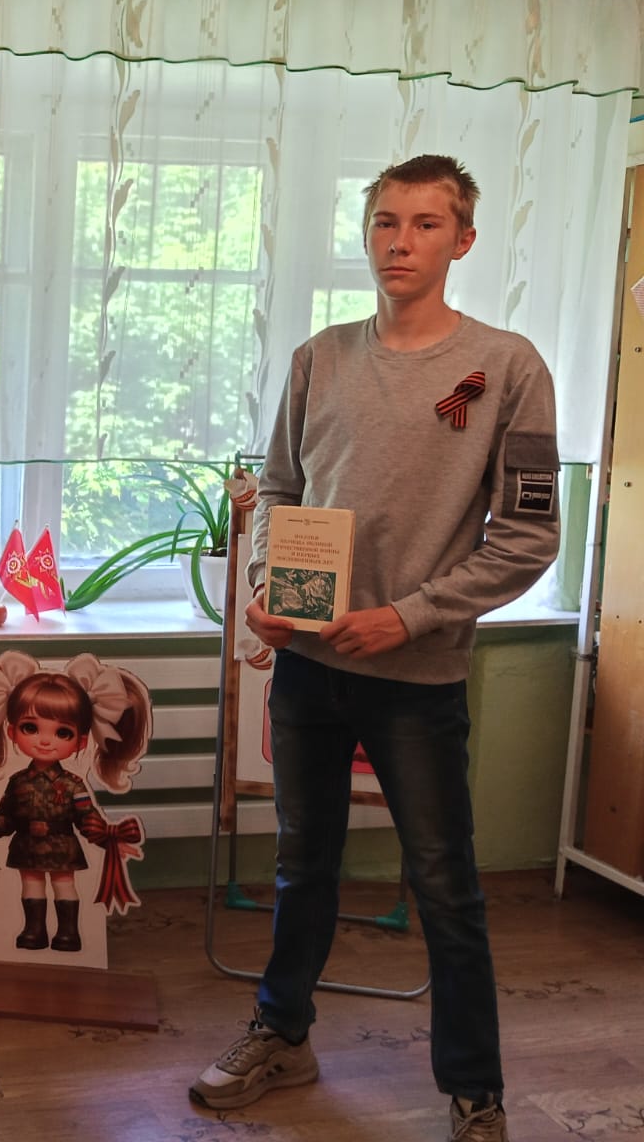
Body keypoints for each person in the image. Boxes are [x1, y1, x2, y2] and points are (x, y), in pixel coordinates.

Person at [188, 156, 560, 1142]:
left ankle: (474, 1090)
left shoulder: (506, 367)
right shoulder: (319, 358)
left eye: (426, 224)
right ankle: (282, 1034)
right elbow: (280, 489)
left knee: (445, 884)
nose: (401, 242)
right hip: (308, 670)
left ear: (463, 240)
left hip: (416, 678)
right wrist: (267, 584)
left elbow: (528, 537)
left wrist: (411, 615)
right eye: (386, 222)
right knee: (300, 865)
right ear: (365, 235)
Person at [0, 653, 152, 952]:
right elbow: (5, 817)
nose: (45, 740)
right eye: (30, 728)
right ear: (12, 731)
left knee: (64, 885)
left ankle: (68, 933)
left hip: (62, 845)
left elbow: (87, 819)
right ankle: (34, 931)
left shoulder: (72, 784)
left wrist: (107, 838)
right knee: (31, 886)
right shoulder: (18, 781)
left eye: (62, 732)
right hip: (27, 845)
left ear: (81, 741)